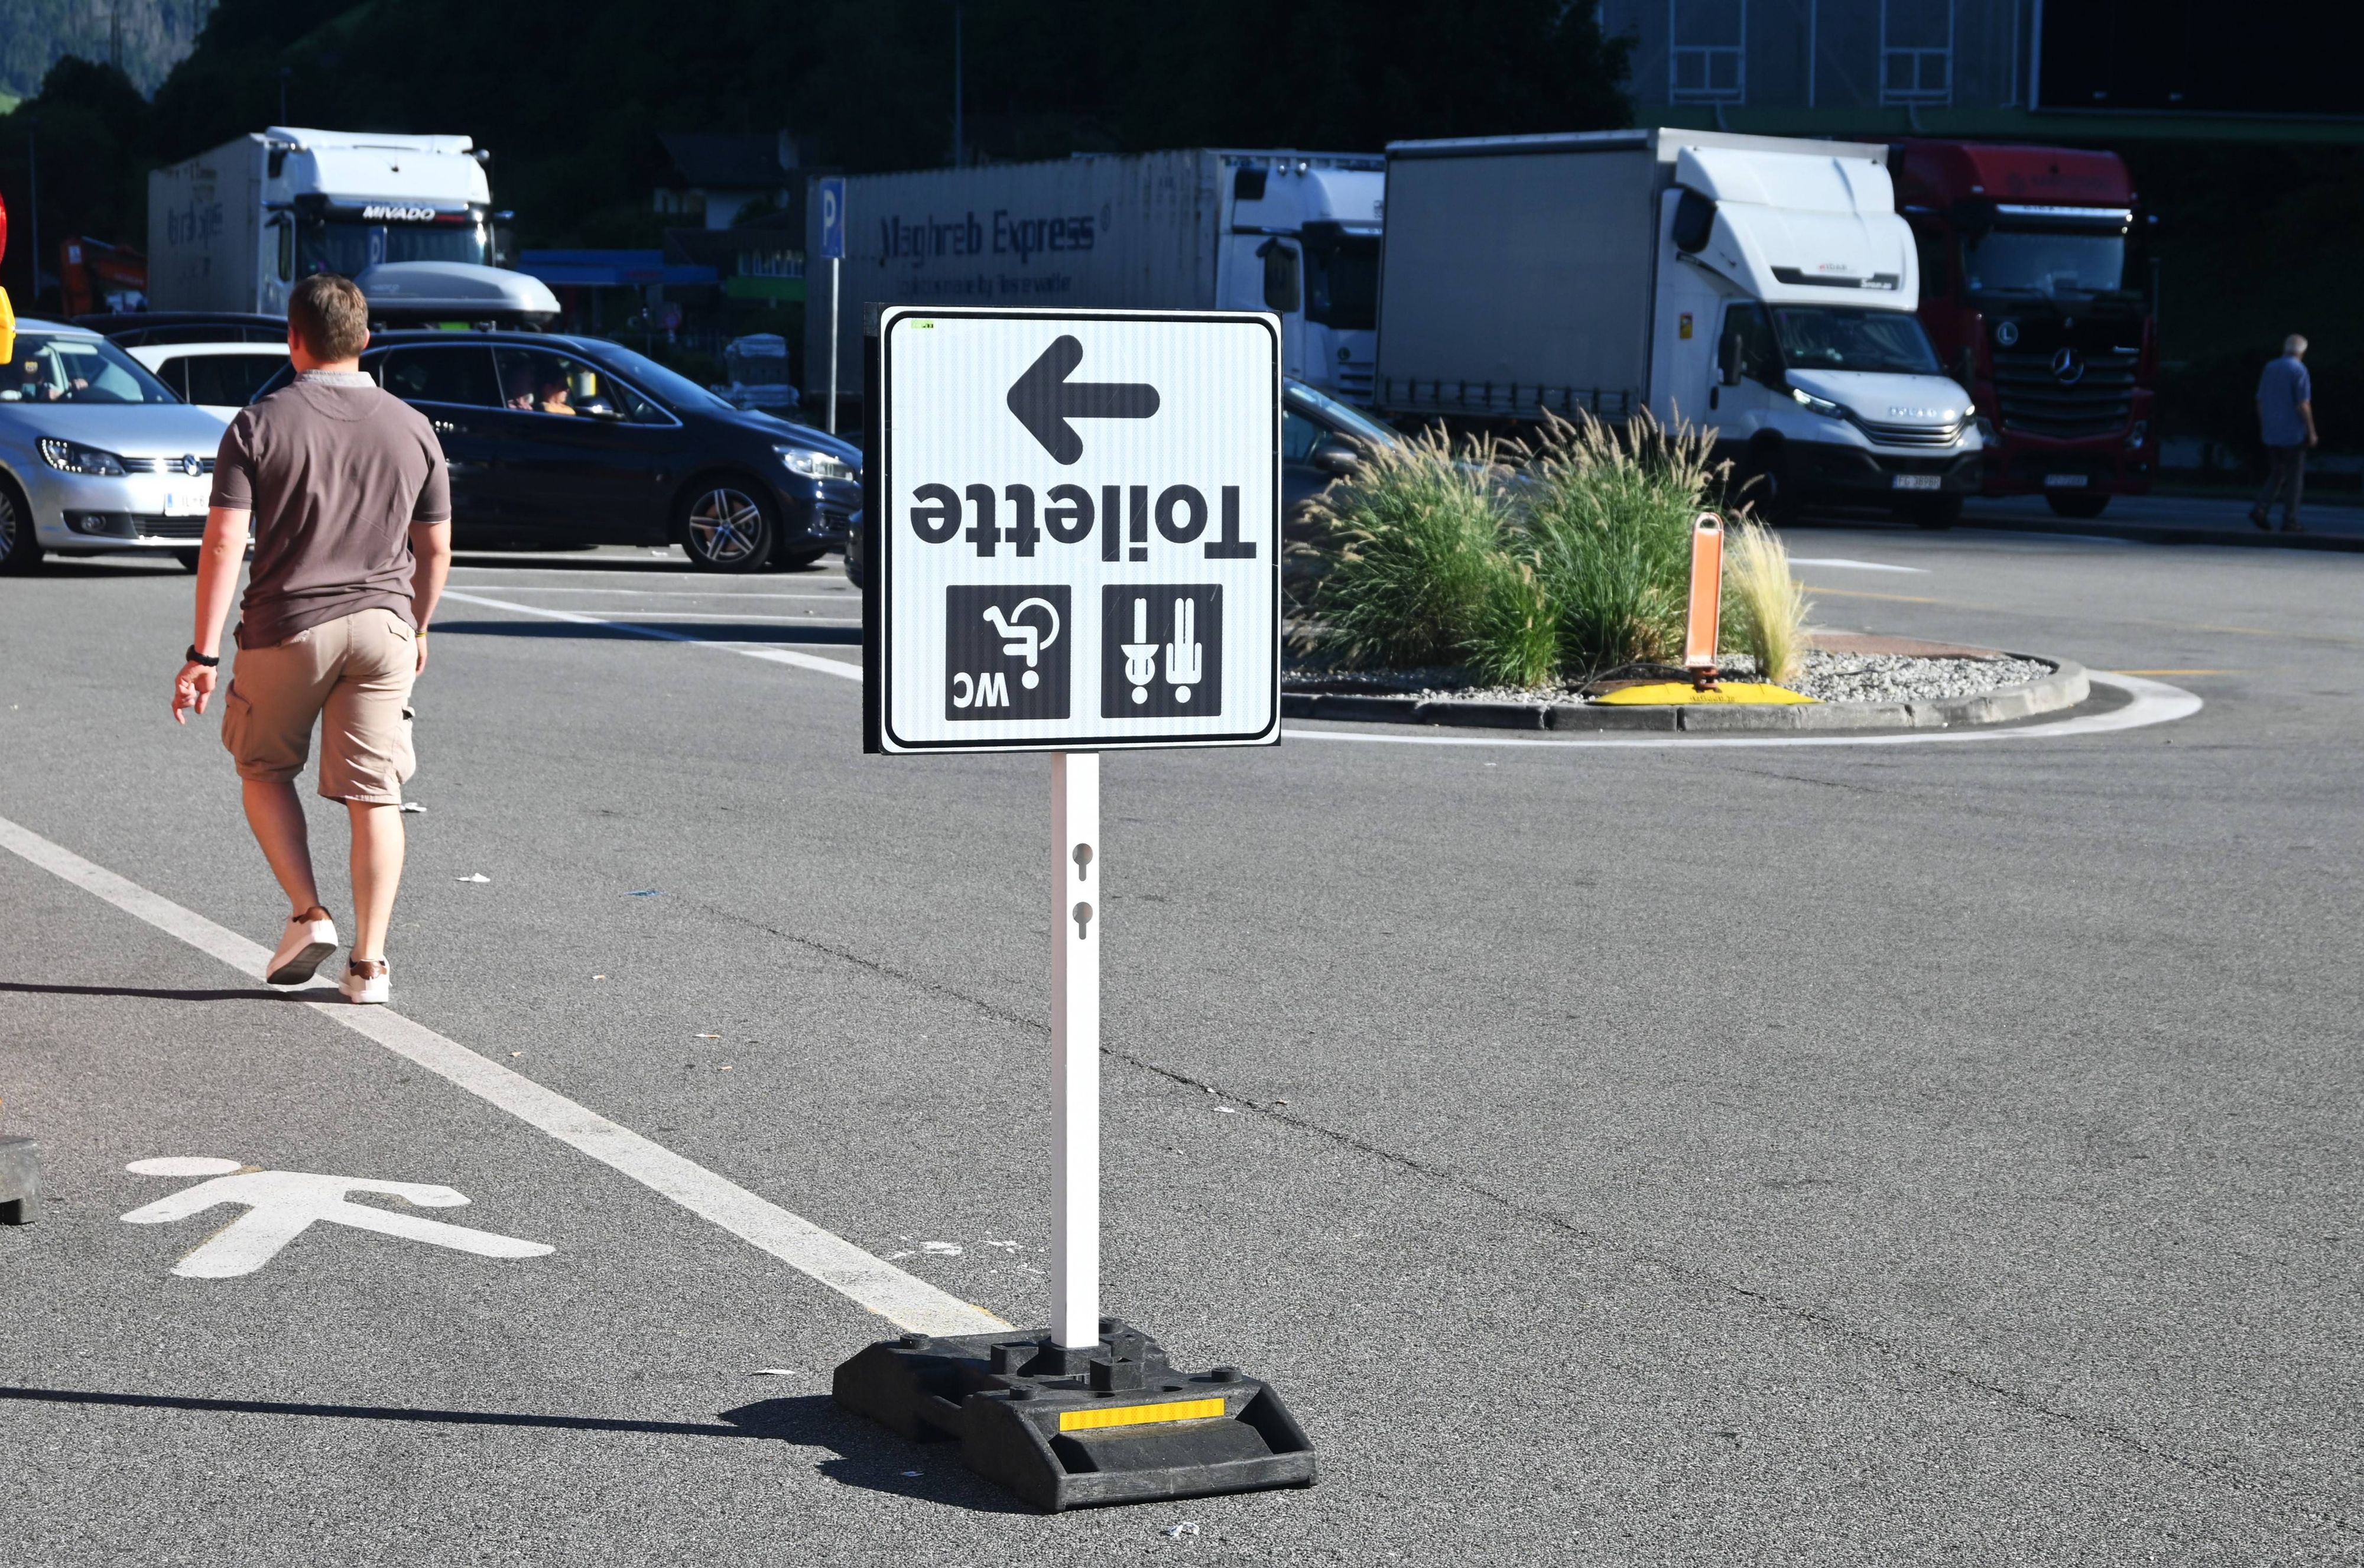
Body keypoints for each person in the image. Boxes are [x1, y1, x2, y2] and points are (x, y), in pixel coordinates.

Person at [170, 272, 452, 1006]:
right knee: (376, 793)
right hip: (387, 627)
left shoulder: (259, 423)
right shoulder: (413, 426)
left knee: (263, 769)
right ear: (364, 341)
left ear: (292, 340)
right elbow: (437, 548)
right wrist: (416, 624)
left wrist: (202, 655)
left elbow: (225, 541)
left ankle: (308, 912)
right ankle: (371, 966)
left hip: (289, 627)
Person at [2252, 333, 2318, 534]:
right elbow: (2302, 404)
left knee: (2278, 472)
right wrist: (2311, 431)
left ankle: (2261, 509)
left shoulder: (2270, 367)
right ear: (2303, 352)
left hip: (2272, 431)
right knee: (2295, 477)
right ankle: (2290, 520)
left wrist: (2265, 425)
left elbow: (2260, 401)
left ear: (2285, 348)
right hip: (2293, 433)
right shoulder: (2299, 370)